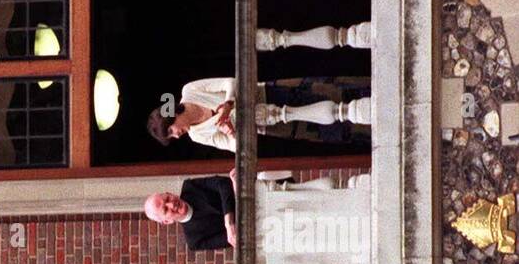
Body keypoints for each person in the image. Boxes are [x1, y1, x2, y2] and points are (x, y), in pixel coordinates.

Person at [145, 76, 372, 154]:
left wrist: (228, 103)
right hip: (269, 123)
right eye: (173, 137)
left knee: (325, 91)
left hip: (267, 93)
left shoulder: (190, 91)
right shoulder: (198, 135)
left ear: (171, 117)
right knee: (326, 128)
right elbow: (235, 148)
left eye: (172, 132)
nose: (178, 135)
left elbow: (229, 82)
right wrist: (231, 132)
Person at [143, 175, 238, 251]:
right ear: (167, 221)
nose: (172, 204)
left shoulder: (190, 186)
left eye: (167, 199)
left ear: (170, 193)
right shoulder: (195, 240)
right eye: (165, 209)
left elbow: (223, 183)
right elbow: (233, 239)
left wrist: (228, 221)